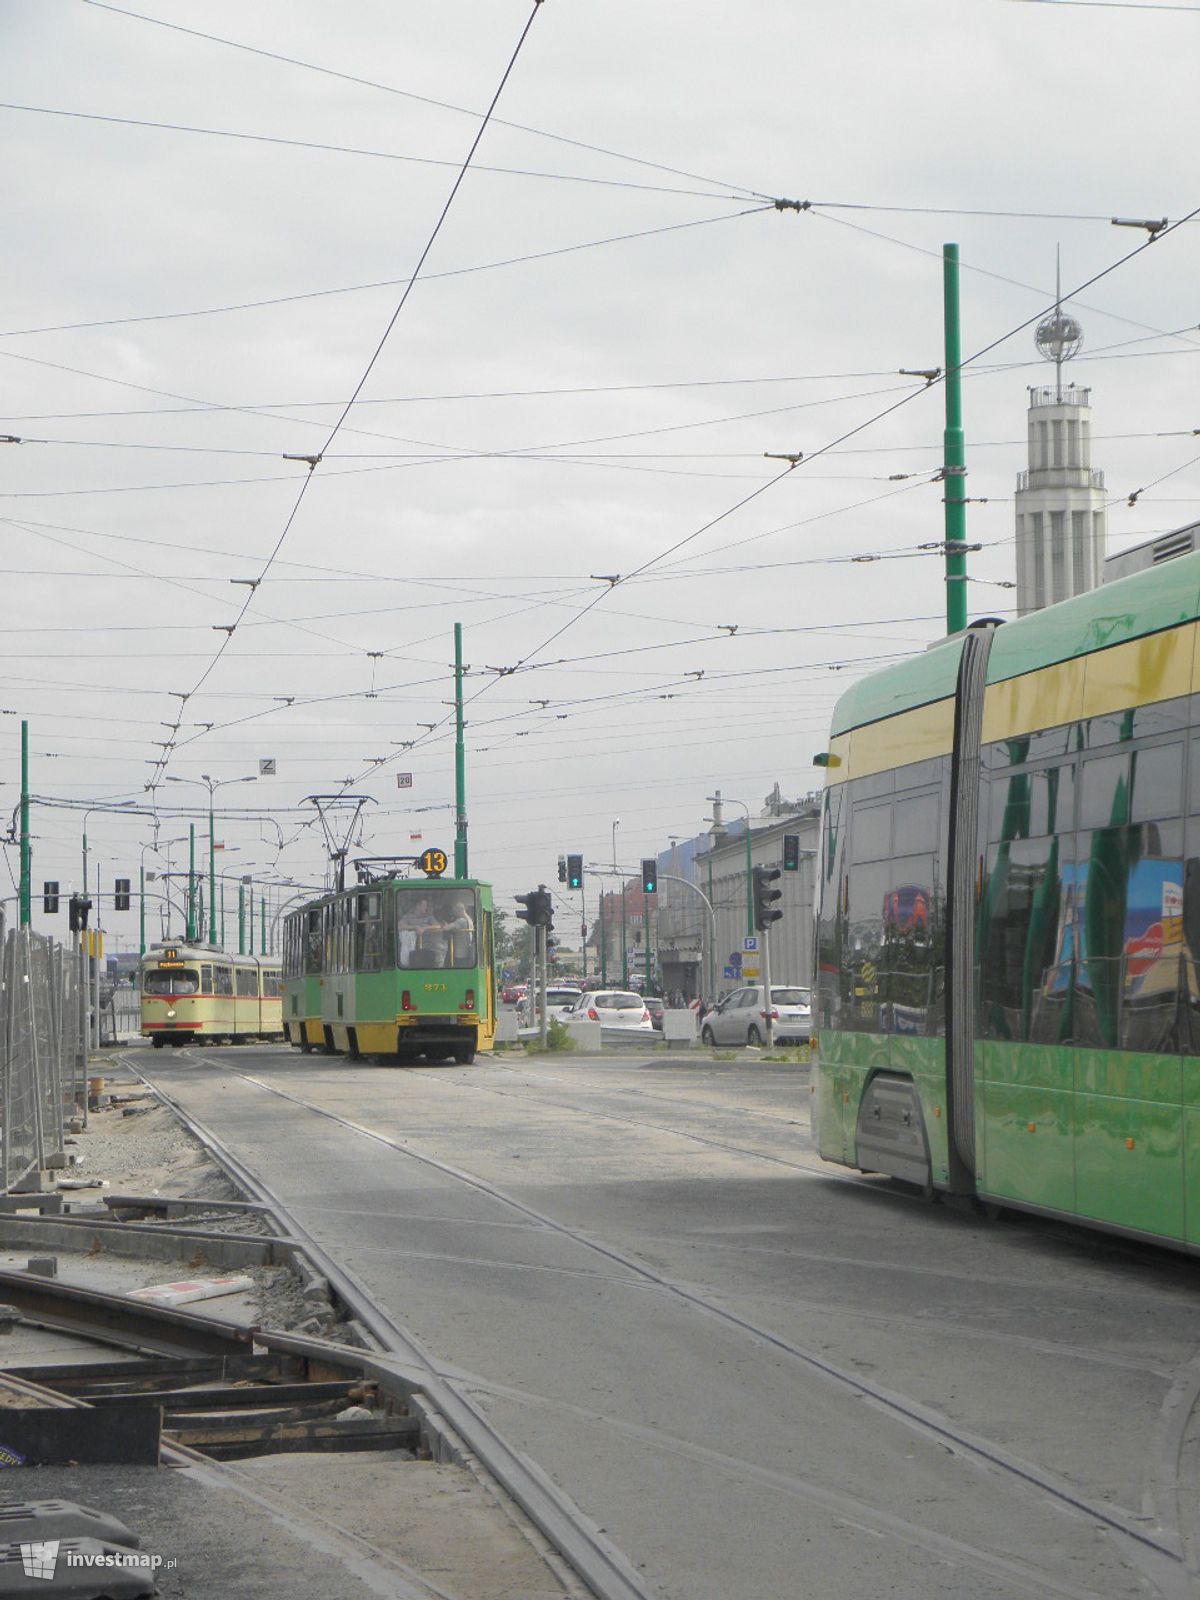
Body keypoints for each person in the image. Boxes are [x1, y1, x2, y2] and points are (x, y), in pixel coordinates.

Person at [397, 896, 439, 966]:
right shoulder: (408, 916)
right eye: (424, 905)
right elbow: (399, 926)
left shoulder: (428, 916)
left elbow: (437, 926)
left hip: (428, 946)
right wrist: (415, 927)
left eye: (426, 905)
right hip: (413, 948)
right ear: (418, 905)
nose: (426, 907)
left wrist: (424, 928)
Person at [443, 898, 475, 967]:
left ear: (459, 910)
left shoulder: (461, 921)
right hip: (466, 951)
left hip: (460, 953)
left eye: (455, 912)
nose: (454, 914)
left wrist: (445, 924)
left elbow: (447, 928)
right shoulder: (469, 919)